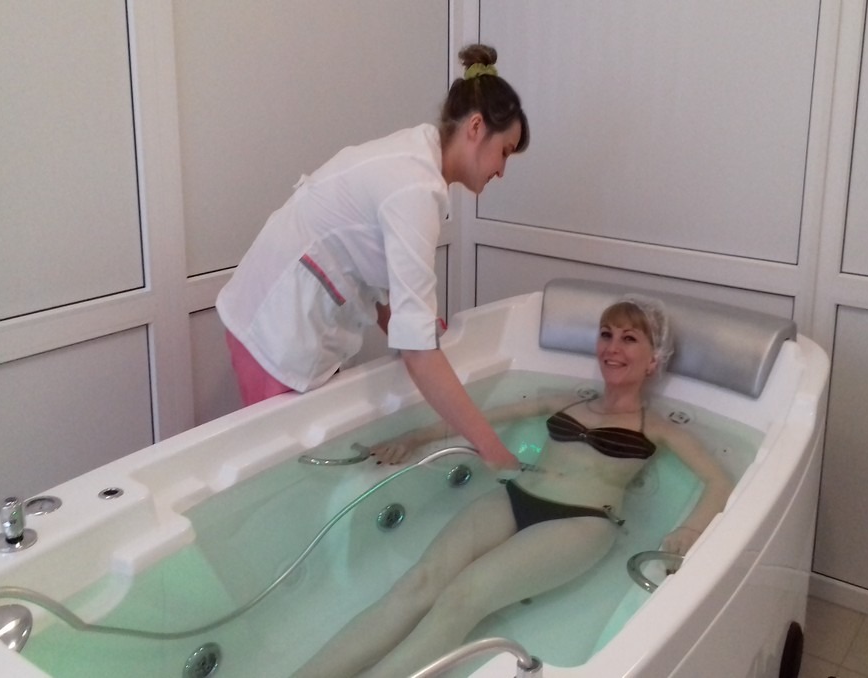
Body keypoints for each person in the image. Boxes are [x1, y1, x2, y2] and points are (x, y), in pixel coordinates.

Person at [293, 298, 733, 678]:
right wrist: (414, 437)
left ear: (654, 360)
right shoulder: (564, 401)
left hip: (581, 523)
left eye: (629, 339)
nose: (612, 347)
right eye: (606, 335)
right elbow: (477, 420)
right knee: (418, 582)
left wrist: (689, 531)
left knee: (464, 597)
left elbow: (718, 480)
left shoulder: (657, 428)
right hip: (515, 498)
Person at [216, 44, 529, 470]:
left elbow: (381, 281)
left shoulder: (414, 159)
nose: (502, 171)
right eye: (505, 152)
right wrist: (496, 454)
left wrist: (425, 333)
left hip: (280, 316)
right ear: (476, 127)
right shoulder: (413, 188)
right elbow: (418, 354)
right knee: (284, 469)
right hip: (274, 332)